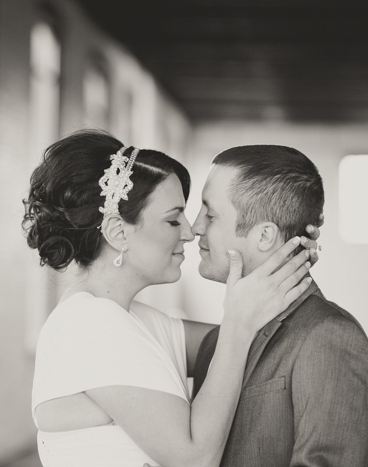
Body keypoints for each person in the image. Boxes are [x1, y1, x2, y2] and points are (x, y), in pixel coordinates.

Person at [23, 131, 320, 467]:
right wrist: (237, 320)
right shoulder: (91, 326)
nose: (189, 232)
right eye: (172, 219)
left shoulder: (131, 320)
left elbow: (257, 344)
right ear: (119, 232)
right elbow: (195, 458)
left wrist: (283, 249)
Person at [191, 145, 368, 467]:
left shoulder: (329, 337)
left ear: (264, 236)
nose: (195, 226)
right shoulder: (217, 342)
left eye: (210, 215)